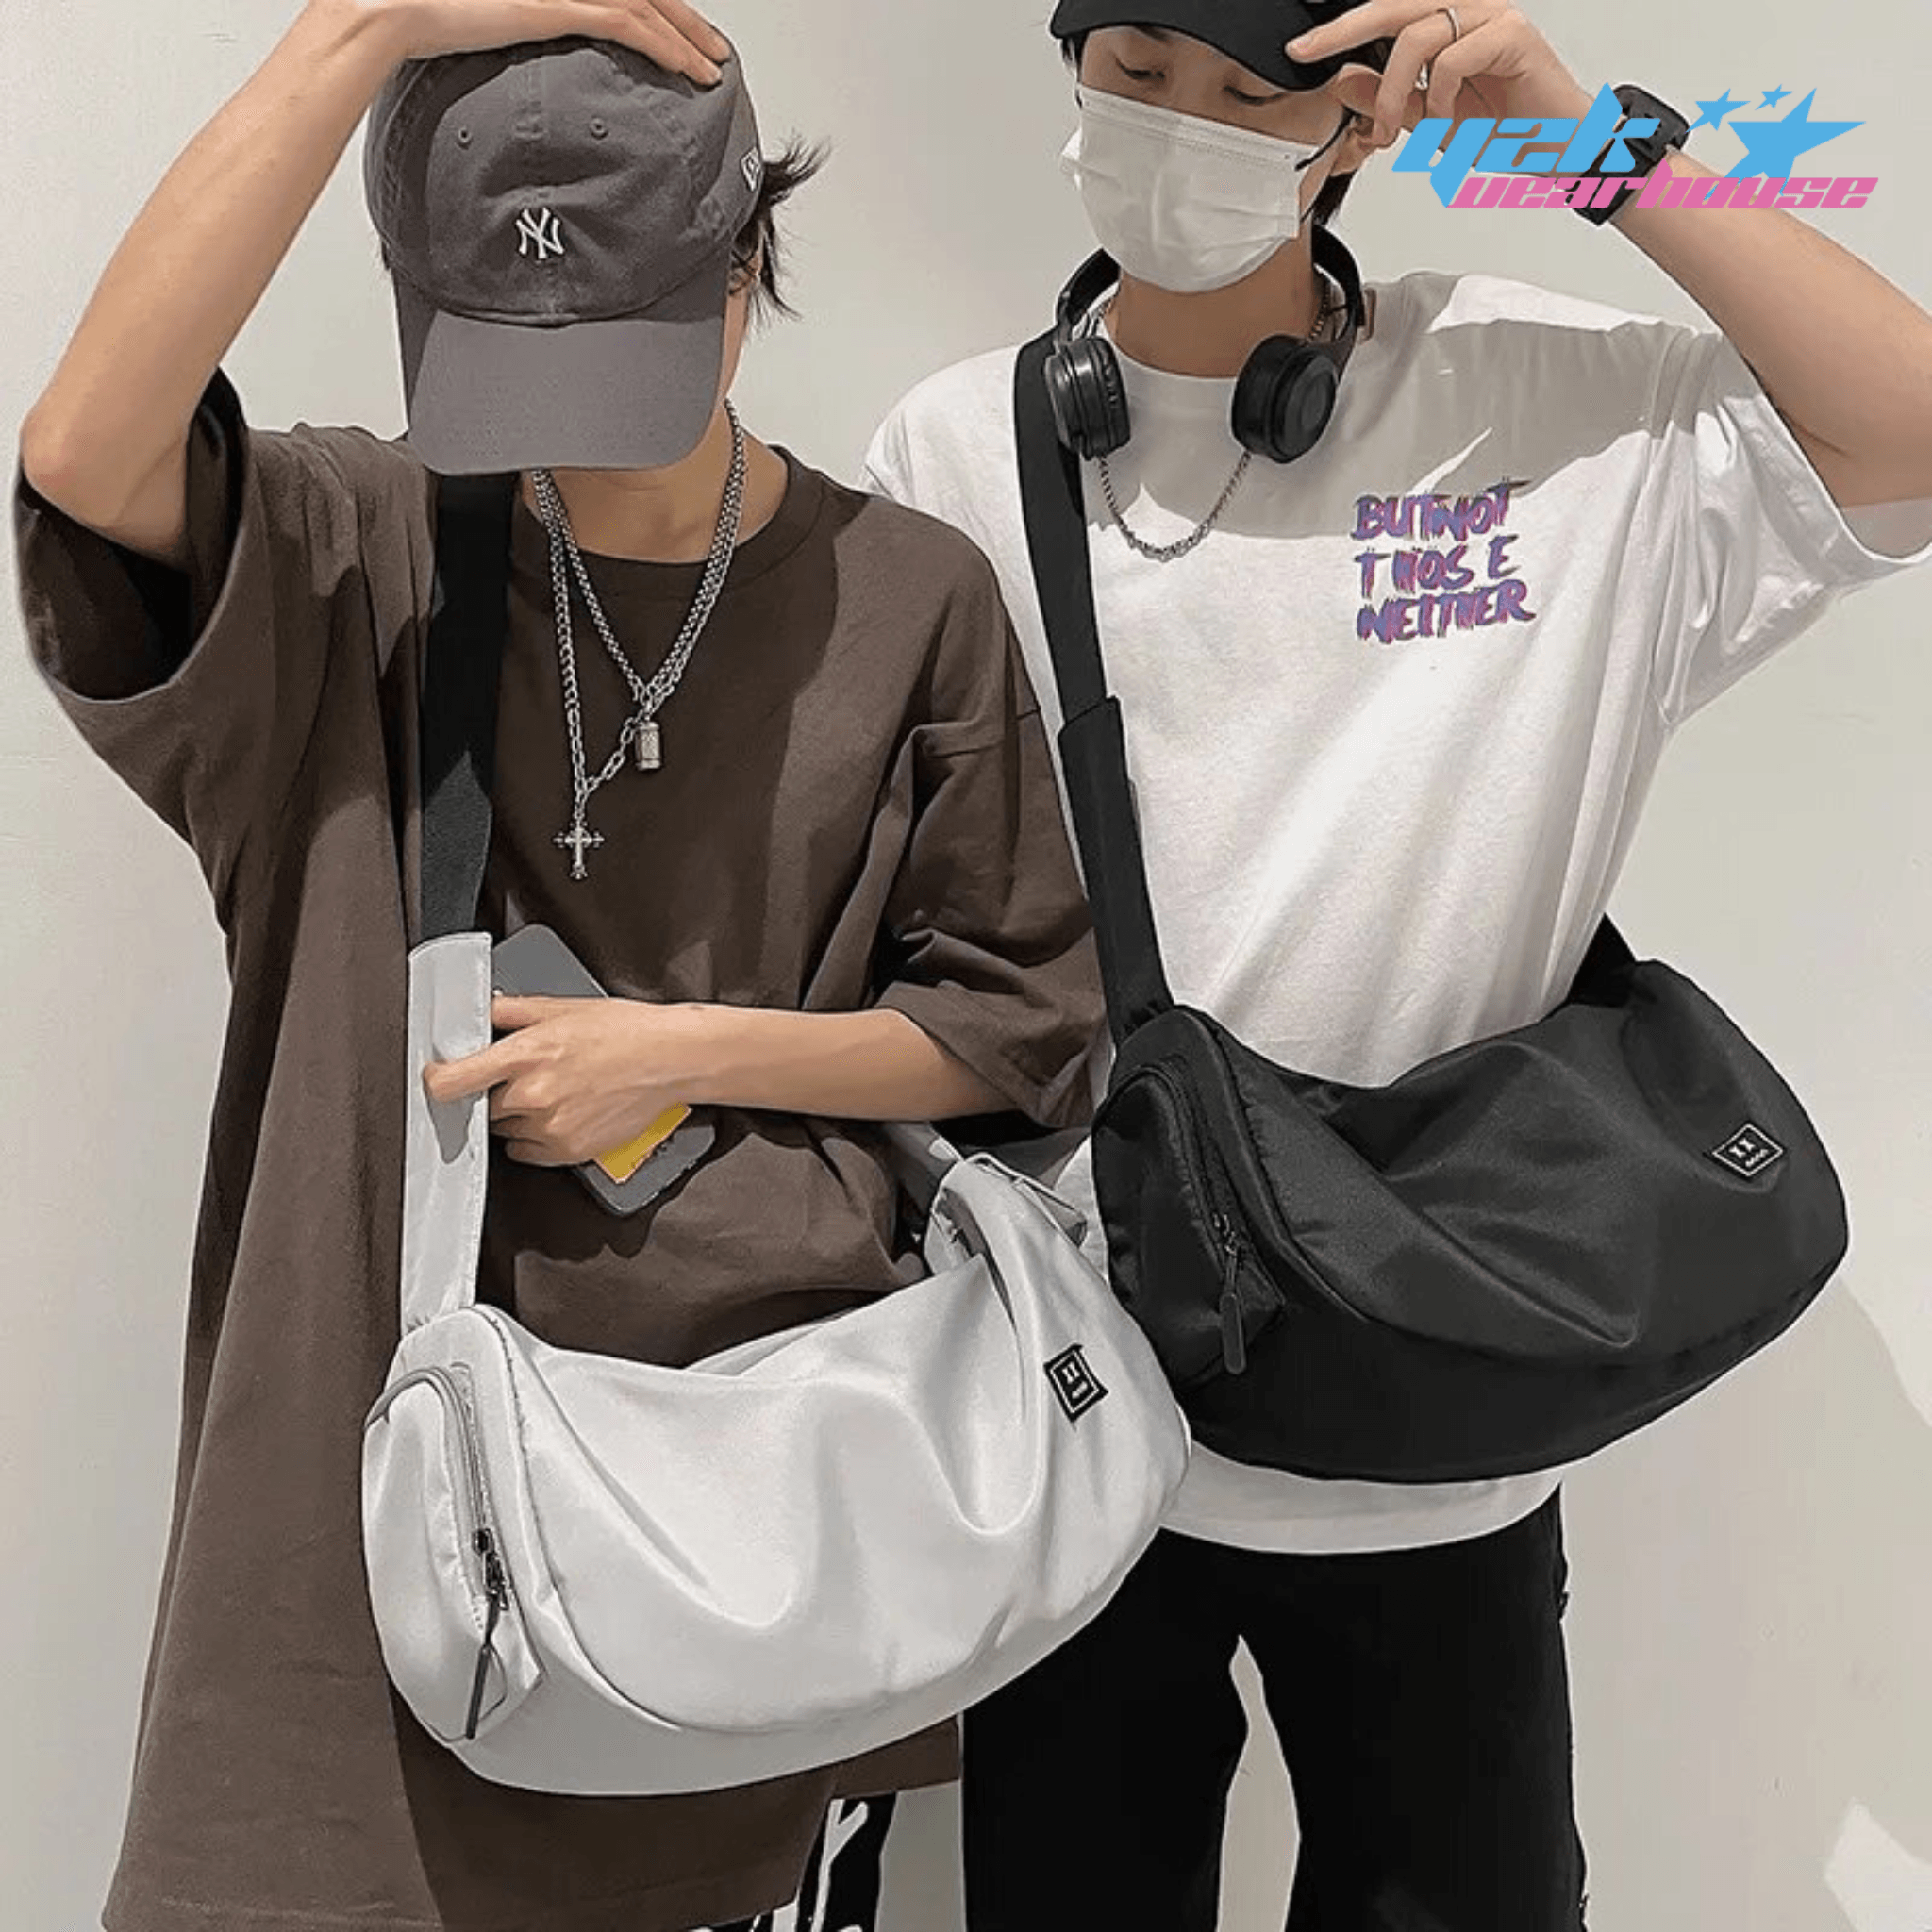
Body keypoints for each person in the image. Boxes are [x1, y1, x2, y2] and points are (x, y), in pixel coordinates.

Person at [13, 5, 1104, 1931]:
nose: (566, 435)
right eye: (506, 366)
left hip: (753, 1540)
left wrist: (687, 1051)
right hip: (350, 1545)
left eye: (617, 359)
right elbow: (86, 455)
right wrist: (363, 30)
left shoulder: (904, 596)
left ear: (746, 267)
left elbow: (1022, 1033)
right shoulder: (357, 555)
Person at [861, 1, 1932, 1926]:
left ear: (1353, 131)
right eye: (1135, 70)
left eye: (1244, 91)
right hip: (1083, 1420)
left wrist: (1573, 132)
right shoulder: (951, 451)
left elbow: (1911, 424)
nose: (1174, 123)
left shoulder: (1548, 410)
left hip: (1450, 1412)